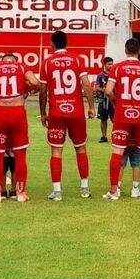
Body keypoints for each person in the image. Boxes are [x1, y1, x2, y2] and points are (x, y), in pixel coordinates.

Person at [38, 30, 96, 200]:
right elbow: (86, 84)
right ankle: (84, 188)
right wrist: (91, 106)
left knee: (56, 151)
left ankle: (57, 191)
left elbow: (43, 90)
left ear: (52, 44)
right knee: (81, 148)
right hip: (76, 111)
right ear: (67, 43)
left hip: (56, 112)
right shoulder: (77, 59)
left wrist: (43, 113)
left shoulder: (47, 62)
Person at [0, 52, 40, 202]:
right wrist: (32, 90)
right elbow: (36, 82)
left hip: (1, 113)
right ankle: (20, 193)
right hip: (18, 113)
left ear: (3, 60)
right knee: (20, 155)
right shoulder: (21, 67)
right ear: (14, 60)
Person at [103, 37, 140, 201]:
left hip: (122, 115)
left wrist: (116, 102)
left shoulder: (117, 68)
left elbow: (108, 91)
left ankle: (114, 191)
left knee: (117, 151)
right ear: (139, 51)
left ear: (125, 51)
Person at [117, 129, 140, 198]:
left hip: (124, 139)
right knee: (136, 165)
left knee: (121, 164)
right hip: (137, 140)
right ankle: (135, 189)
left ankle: (117, 188)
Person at [94, 57, 114, 143]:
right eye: (109, 64)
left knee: (115, 119)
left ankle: (116, 136)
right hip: (102, 99)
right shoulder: (100, 76)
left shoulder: (114, 75)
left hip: (112, 100)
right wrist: (104, 90)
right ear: (104, 65)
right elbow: (97, 87)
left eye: (112, 63)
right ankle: (103, 136)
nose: (111, 65)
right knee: (103, 119)